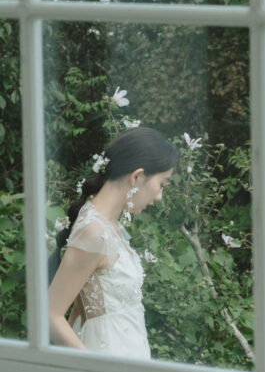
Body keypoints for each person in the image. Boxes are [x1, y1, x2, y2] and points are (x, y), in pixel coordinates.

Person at [48, 127, 177, 360]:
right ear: (137, 176)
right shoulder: (93, 231)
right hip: (107, 366)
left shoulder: (110, 227)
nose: (159, 196)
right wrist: (97, 371)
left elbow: (82, 306)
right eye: (162, 184)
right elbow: (50, 315)